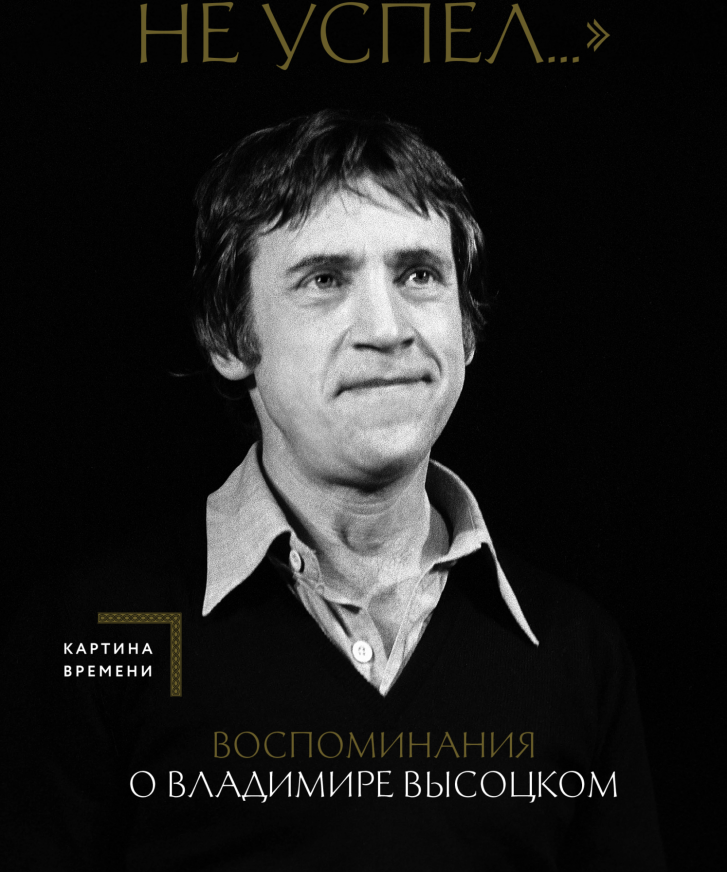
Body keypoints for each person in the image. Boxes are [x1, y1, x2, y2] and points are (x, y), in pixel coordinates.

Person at [6, 110, 665, 871]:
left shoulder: (574, 648)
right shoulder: (110, 629)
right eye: (325, 280)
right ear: (227, 338)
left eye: (419, 274)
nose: (387, 328)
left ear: (467, 328)